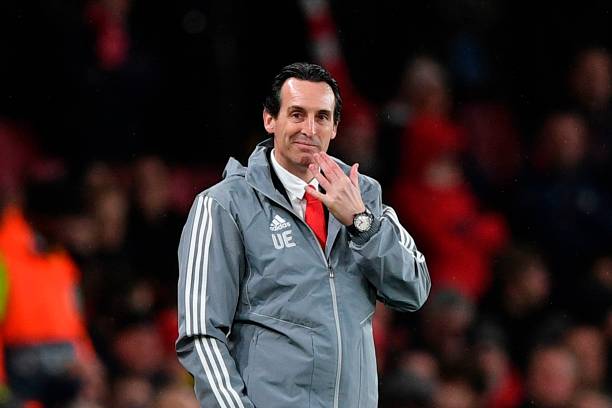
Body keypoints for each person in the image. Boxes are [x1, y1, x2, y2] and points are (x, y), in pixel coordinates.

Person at [176, 62, 431, 408]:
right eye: (297, 114)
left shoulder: (363, 196)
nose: (309, 129)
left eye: (322, 117)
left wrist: (361, 222)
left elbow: (413, 290)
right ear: (270, 119)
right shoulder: (222, 206)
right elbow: (200, 333)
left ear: (336, 127)